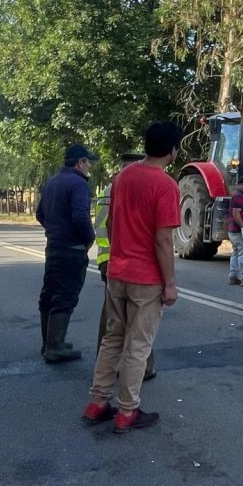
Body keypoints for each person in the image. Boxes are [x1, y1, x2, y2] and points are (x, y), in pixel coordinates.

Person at [82, 122, 182, 434]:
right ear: (172, 150)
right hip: (146, 279)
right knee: (138, 346)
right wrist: (169, 283)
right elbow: (163, 241)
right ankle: (127, 411)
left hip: (118, 272)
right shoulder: (165, 185)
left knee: (113, 338)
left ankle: (98, 403)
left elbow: (111, 224)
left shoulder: (123, 177)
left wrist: (116, 257)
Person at [94, 153, 155, 381]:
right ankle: (144, 367)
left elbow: (100, 225)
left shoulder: (108, 189)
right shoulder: (128, 189)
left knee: (111, 318)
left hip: (108, 260)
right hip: (127, 260)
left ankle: (104, 365)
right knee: (139, 318)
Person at [36, 143, 99, 363]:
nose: (89, 166)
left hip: (53, 247)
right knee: (65, 296)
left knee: (49, 294)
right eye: (87, 161)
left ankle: (49, 342)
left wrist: (54, 231)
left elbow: (40, 214)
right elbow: (80, 216)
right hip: (71, 249)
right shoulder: (78, 184)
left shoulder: (52, 181)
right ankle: (55, 347)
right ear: (79, 162)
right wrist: (89, 238)